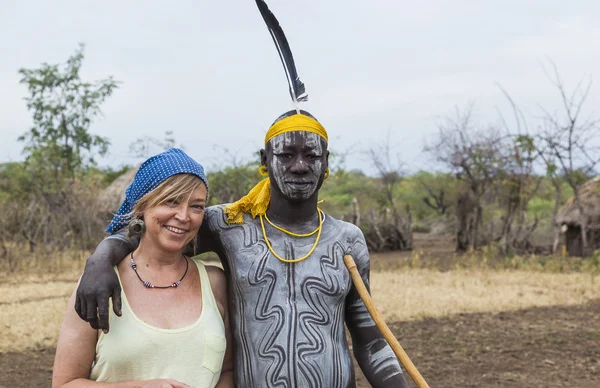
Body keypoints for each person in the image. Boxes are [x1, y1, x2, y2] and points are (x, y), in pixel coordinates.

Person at [74, 111, 410, 388]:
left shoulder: (347, 240)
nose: (299, 166)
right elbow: (150, 230)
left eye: (311, 156)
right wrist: (101, 258)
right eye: (285, 155)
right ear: (265, 160)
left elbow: (371, 340)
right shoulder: (229, 225)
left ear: (326, 163)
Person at [52, 148, 233, 388]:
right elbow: (66, 383)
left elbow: (228, 372)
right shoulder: (100, 284)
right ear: (142, 206)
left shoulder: (214, 283)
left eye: (196, 206)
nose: (183, 216)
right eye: (171, 201)